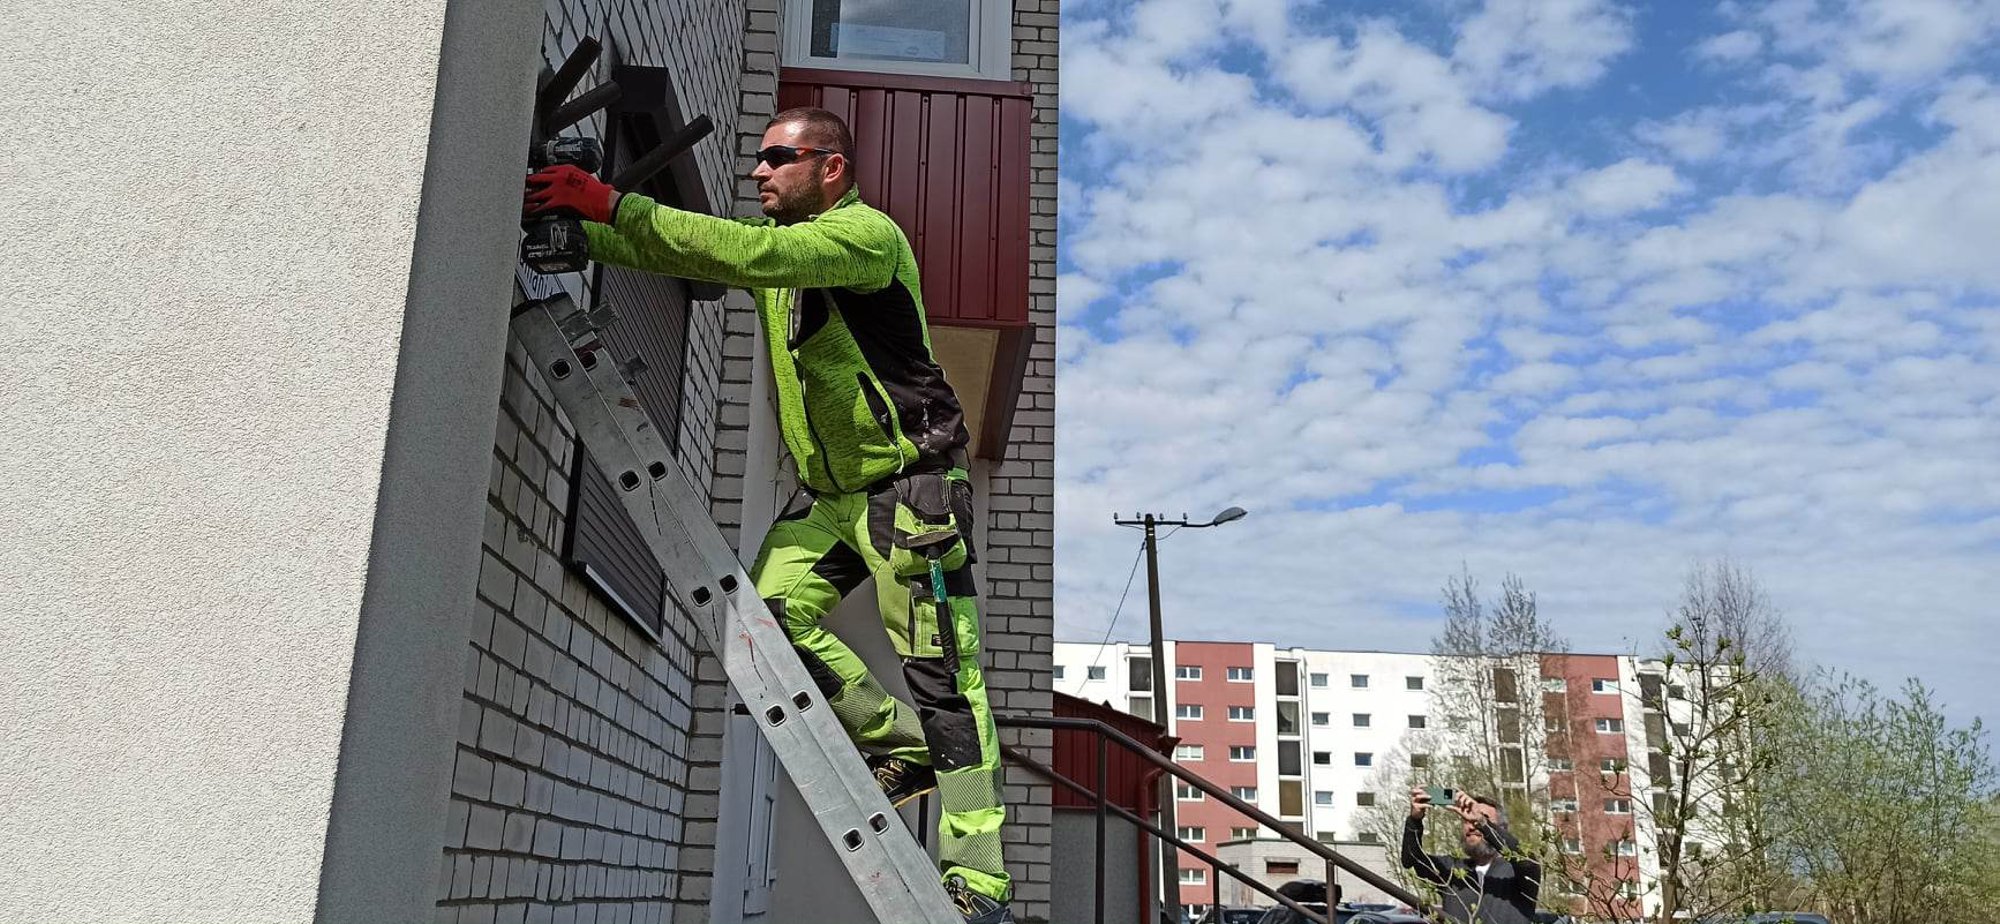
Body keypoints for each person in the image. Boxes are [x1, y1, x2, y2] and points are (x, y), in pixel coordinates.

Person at [523, 107, 1012, 924]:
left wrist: (607, 202)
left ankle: (981, 885)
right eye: (758, 159)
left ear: (831, 168)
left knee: (948, 685)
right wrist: (581, 233)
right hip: (831, 498)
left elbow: (749, 252)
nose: (760, 172)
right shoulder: (789, 254)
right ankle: (898, 744)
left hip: (910, 494)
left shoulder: (863, 238)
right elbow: (695, 253)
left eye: (779, 158)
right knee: (768, 621)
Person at [1403, 789, 1542, 924]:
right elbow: (1412, 859)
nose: (1471, 826)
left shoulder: (1517, 872)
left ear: (1501, 829)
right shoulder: (1453, 870)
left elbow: (1525, 861)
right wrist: (1414, 820)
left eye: (1483, 818)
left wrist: (1482, 823)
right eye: (1467, 819)